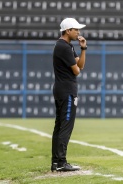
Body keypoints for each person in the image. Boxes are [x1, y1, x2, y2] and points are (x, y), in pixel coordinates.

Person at [51, 18, 87, 172]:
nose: (78, 32)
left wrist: (83, 49)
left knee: (59, 126)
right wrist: (77, 66)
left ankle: (56, 162)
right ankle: (61, 162)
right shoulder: (63, 47)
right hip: (67, 91)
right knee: (65, 126)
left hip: (62, 89)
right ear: (67, 31)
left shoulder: (67, 46)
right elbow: (77, 71)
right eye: (75, 29)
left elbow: (81, 65)